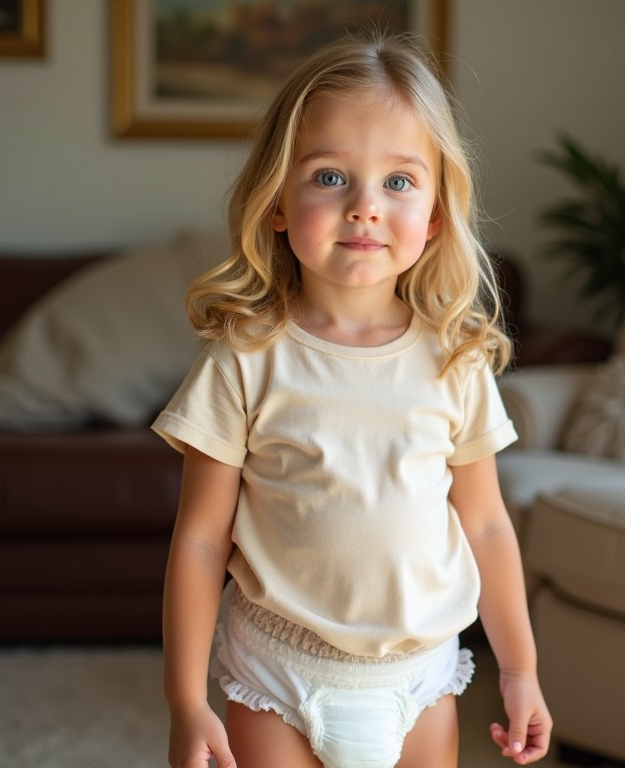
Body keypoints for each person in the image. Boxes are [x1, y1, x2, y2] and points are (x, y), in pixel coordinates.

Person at [153, 29, 552, 768]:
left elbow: (489, 527)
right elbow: (202, 541)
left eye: (398, 182)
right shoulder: (245, 358)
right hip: (277, 671)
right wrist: (186, 703)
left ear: (435, 214)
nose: (366, 207)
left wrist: (520, 669)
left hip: (420, 677)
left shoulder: (455, 359)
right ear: (276, 201)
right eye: (331, 177)